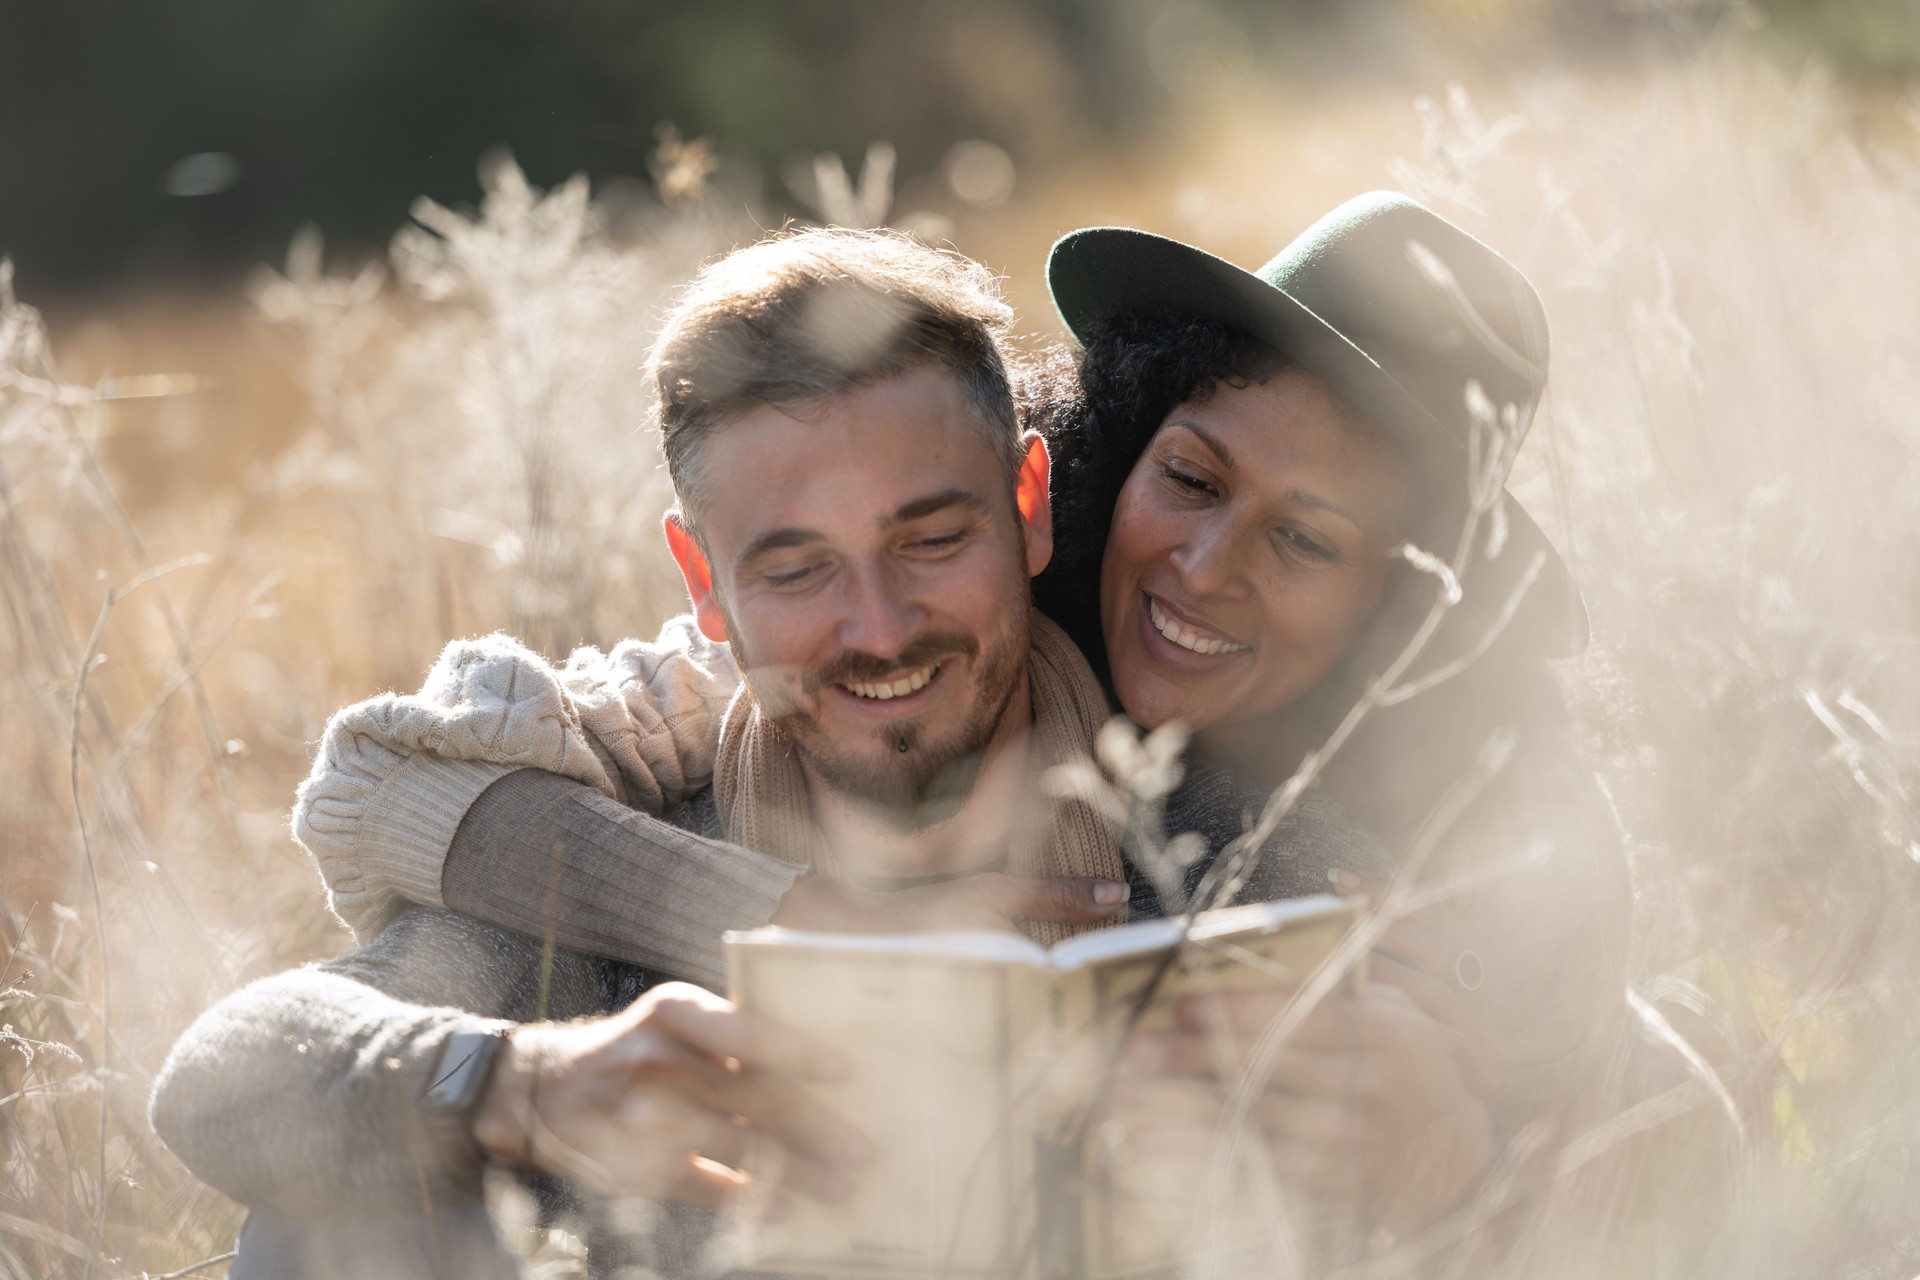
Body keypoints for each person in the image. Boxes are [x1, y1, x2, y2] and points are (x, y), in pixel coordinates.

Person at [276, 194, 1629, 1249]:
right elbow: (394, 786)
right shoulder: (959, 625)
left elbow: (1653, 1147)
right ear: (1095, 466)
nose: (1205, 569)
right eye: (1192, 478)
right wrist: (780, 915)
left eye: (1308, 541)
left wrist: (1463, 1172)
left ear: (1400, 609)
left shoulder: (1491, 833)